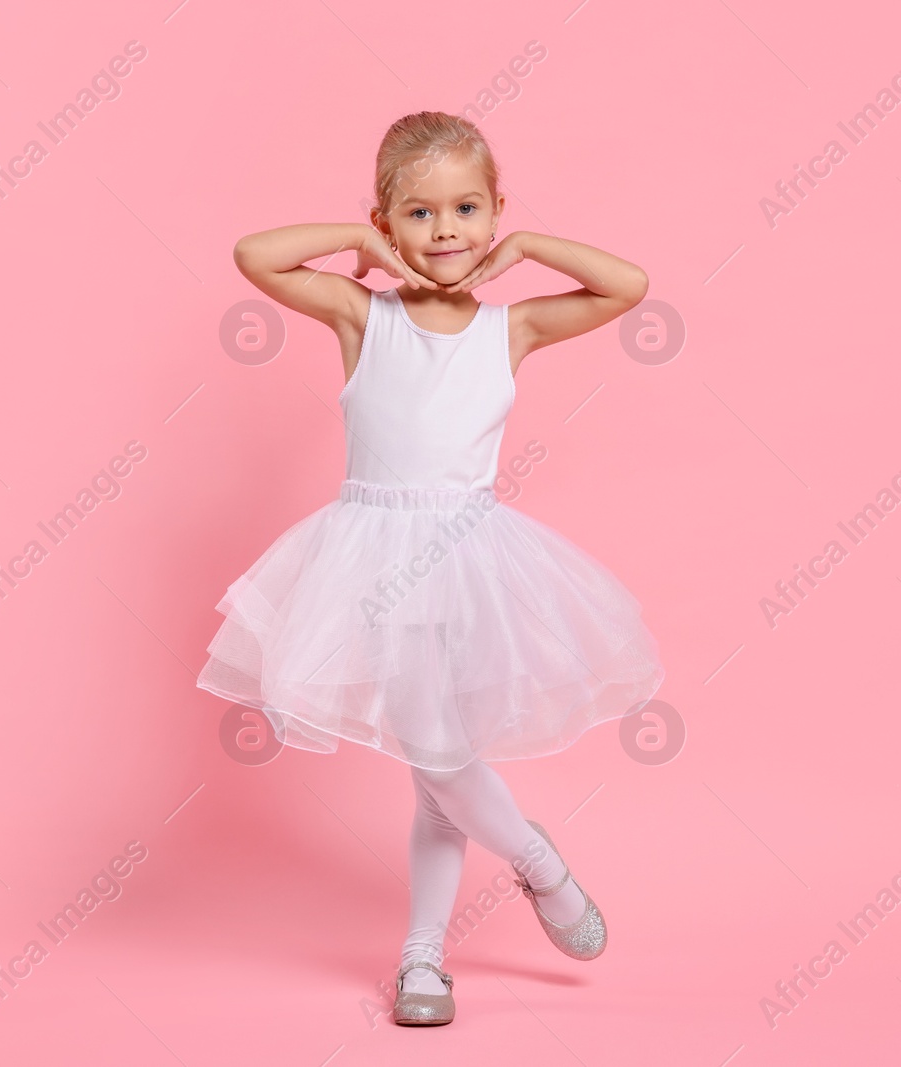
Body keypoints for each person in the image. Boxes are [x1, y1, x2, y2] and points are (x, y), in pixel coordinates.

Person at [198, 110, 665, 1026]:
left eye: (465, 209)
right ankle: (539, 865)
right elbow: (256, 254)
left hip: (474, 562)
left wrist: (527, 246)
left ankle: (422, 961)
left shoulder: (512, 327)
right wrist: (356, 246)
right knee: (438, 750)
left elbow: (629, 285)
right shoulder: (361, 315)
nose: (444, 230)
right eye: (417, 213)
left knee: (437, 768)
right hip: (374, 561)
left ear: (493, 214)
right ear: (387, 220)